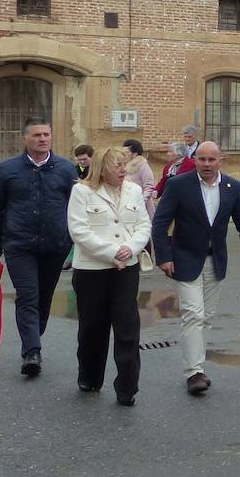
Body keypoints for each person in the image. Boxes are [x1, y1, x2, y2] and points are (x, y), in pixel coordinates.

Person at [151, 141, 240, 396]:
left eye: (211, 160)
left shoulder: (232, 187)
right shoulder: (178, 185)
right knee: (193, 314)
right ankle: (194, 372)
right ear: (194, 160)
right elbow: (160, 222)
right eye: (202, 159)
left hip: (216, 261)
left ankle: (197, 364)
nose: (206, 164)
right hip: (185, 258)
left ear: (221, 160)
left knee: (206, 317)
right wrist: (164, 256)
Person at [66, 146, 151, 405]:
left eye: (125, 165)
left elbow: (143, 224)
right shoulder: (82, 191)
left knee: (127, 327)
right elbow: (79, 231)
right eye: (117, 166)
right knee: (93, 327)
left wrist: (132, 248)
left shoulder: (134, 191)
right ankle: (90, 377)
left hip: (126, 270)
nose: (123, 170)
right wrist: (113, 252)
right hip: (91, 270)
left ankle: (127, 388)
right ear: (102, 169)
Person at [0, 117, 79, 377]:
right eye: (36, 135)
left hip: (55, 245)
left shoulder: (66, 169)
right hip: (19, 245)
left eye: (46, 134)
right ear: (25, 139)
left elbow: (76, 208)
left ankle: (34, 334)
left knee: (44, 297)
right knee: (28, 295)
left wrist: (75, 242)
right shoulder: (6, 170)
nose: (42, 139)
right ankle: (31, 350)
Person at [121, 139, 158, 213]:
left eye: (127, 152)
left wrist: (142, 202)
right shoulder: (123, 165)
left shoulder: (142, 165)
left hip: (139, 205)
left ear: (135, 154)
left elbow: (149, 185)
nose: (124, 154)